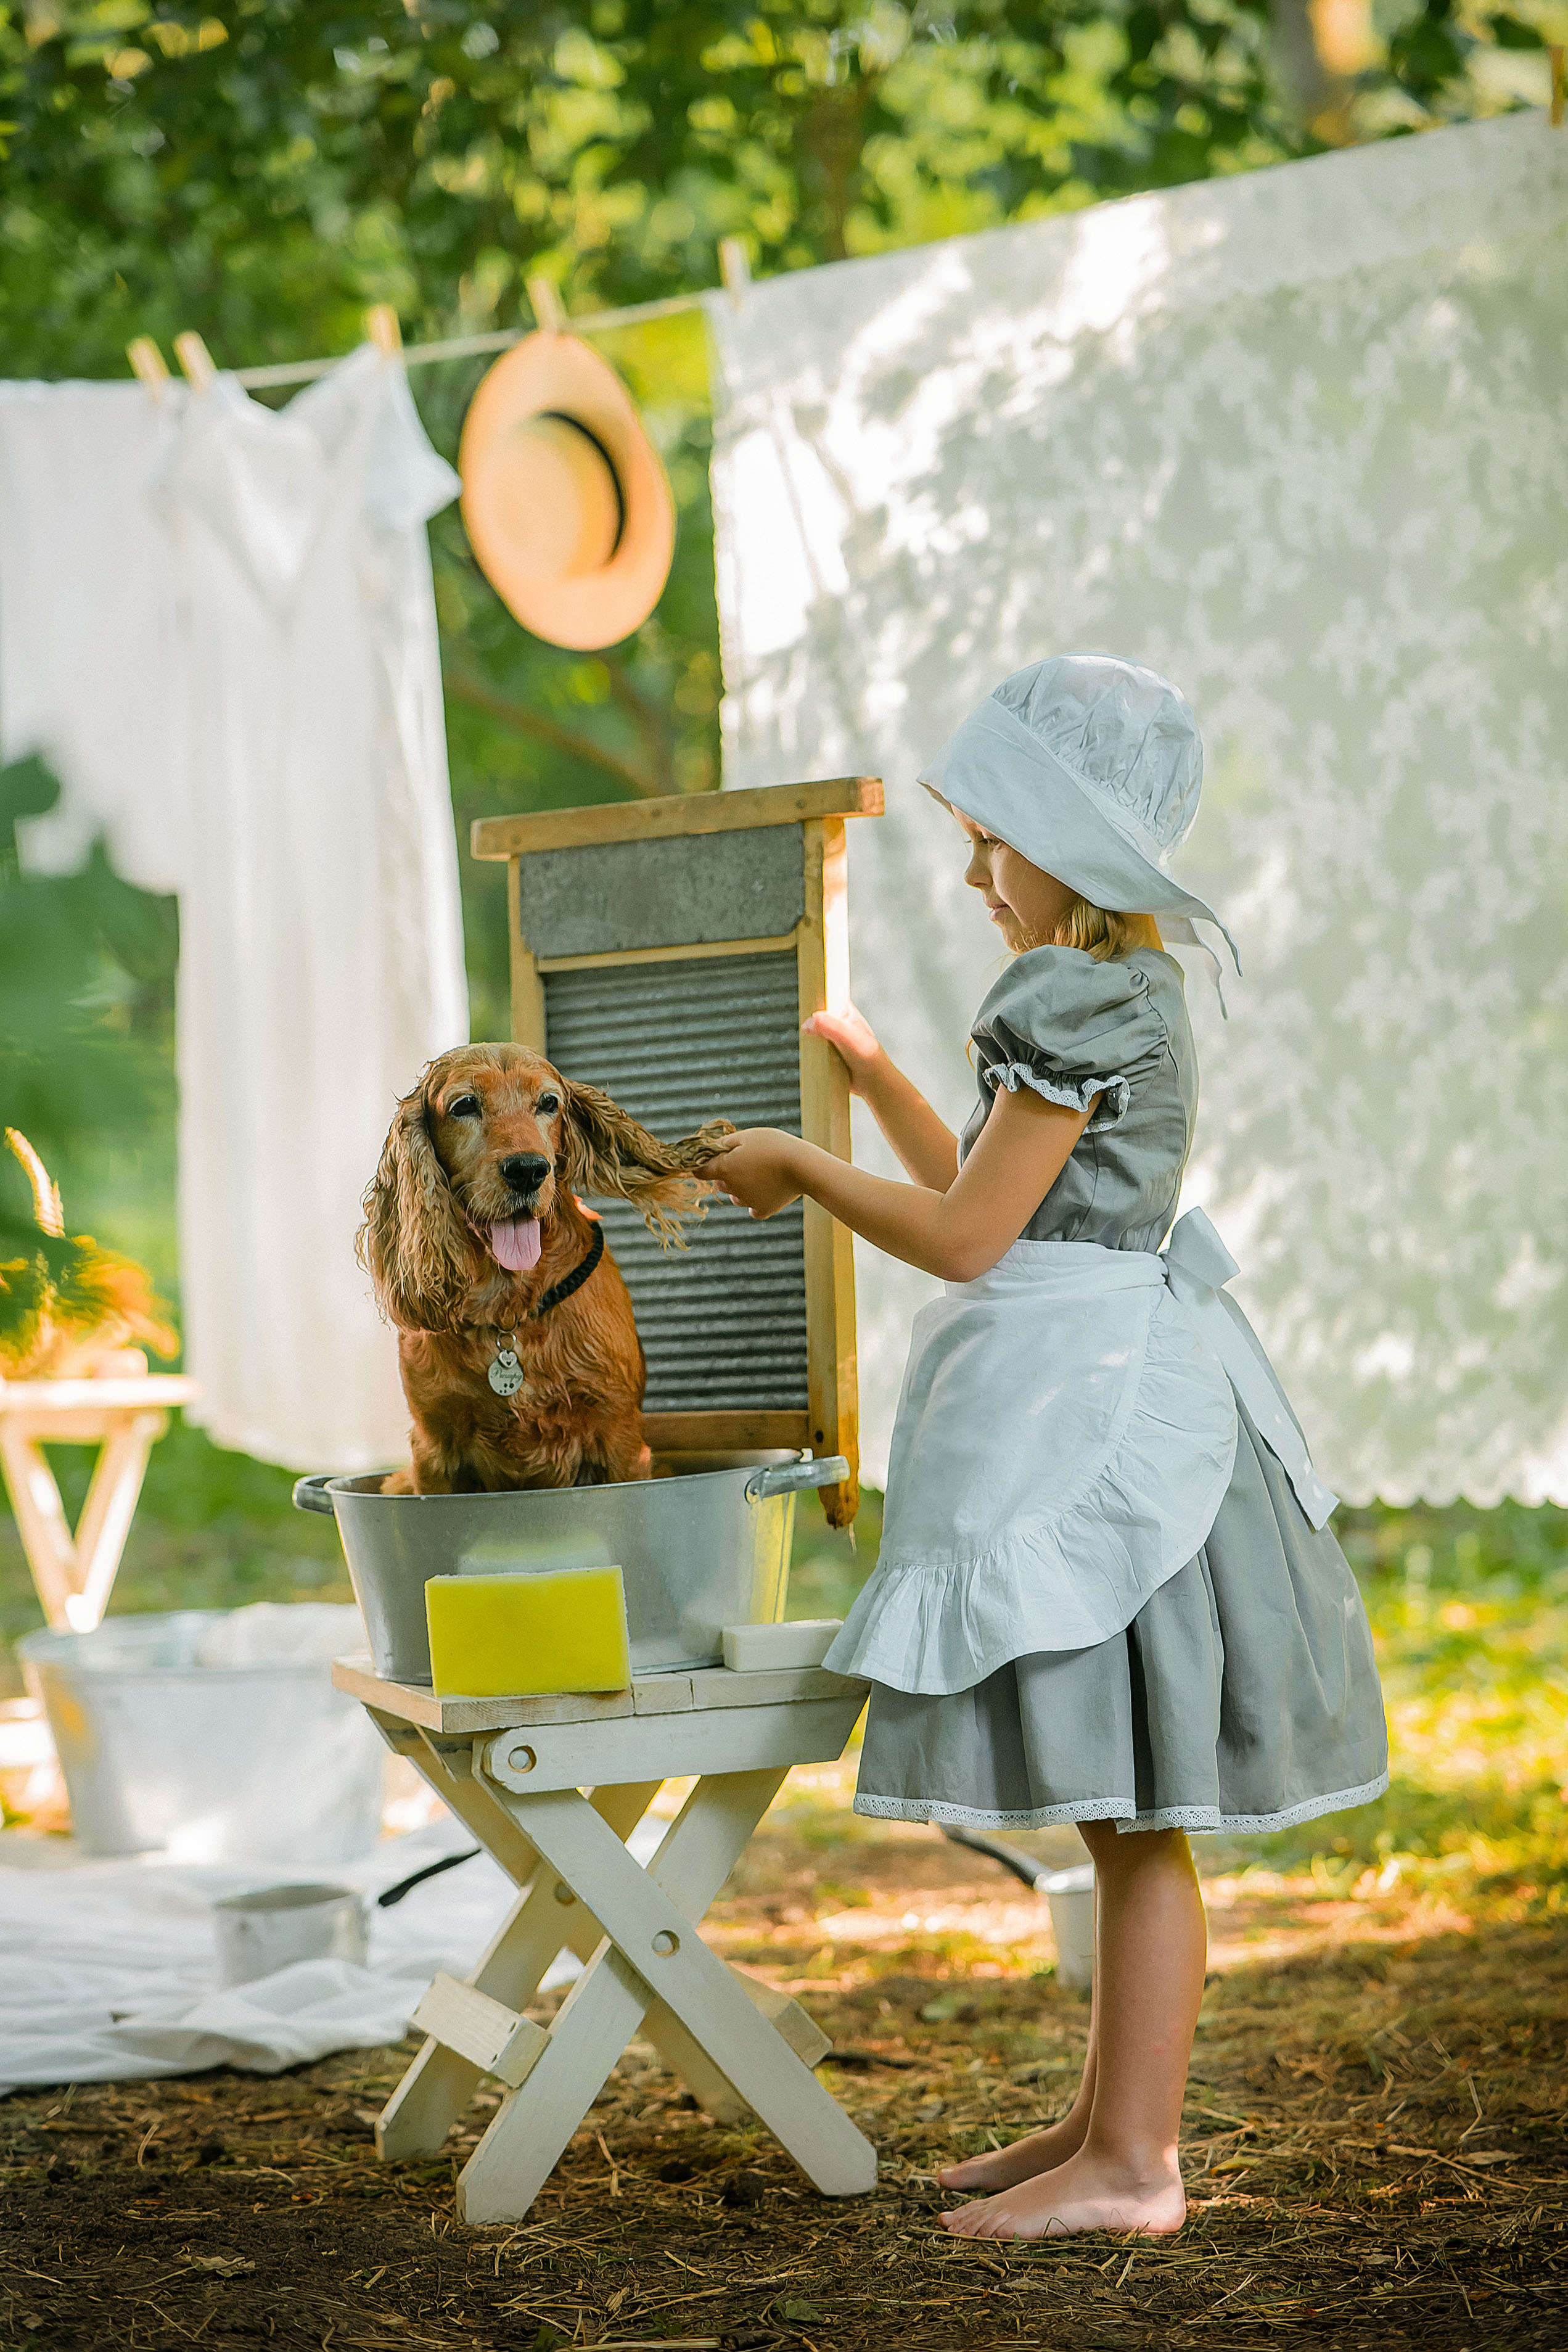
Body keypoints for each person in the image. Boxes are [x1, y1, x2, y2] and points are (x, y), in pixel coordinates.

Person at [708, 654, 1388, 2241]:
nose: (971, 873)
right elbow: (1003, 1199)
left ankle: (1136, 2164)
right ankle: (1101, 2120)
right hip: (1093, 1360)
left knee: (1139, 1814)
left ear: (1059, 846)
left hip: (1103, 1418)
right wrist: (876, 1074)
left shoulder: (1068, 993)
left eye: (986, 839)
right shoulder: (1119, 990)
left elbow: (962, 1240)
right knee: (1121, 1808)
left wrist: (805, 1161)